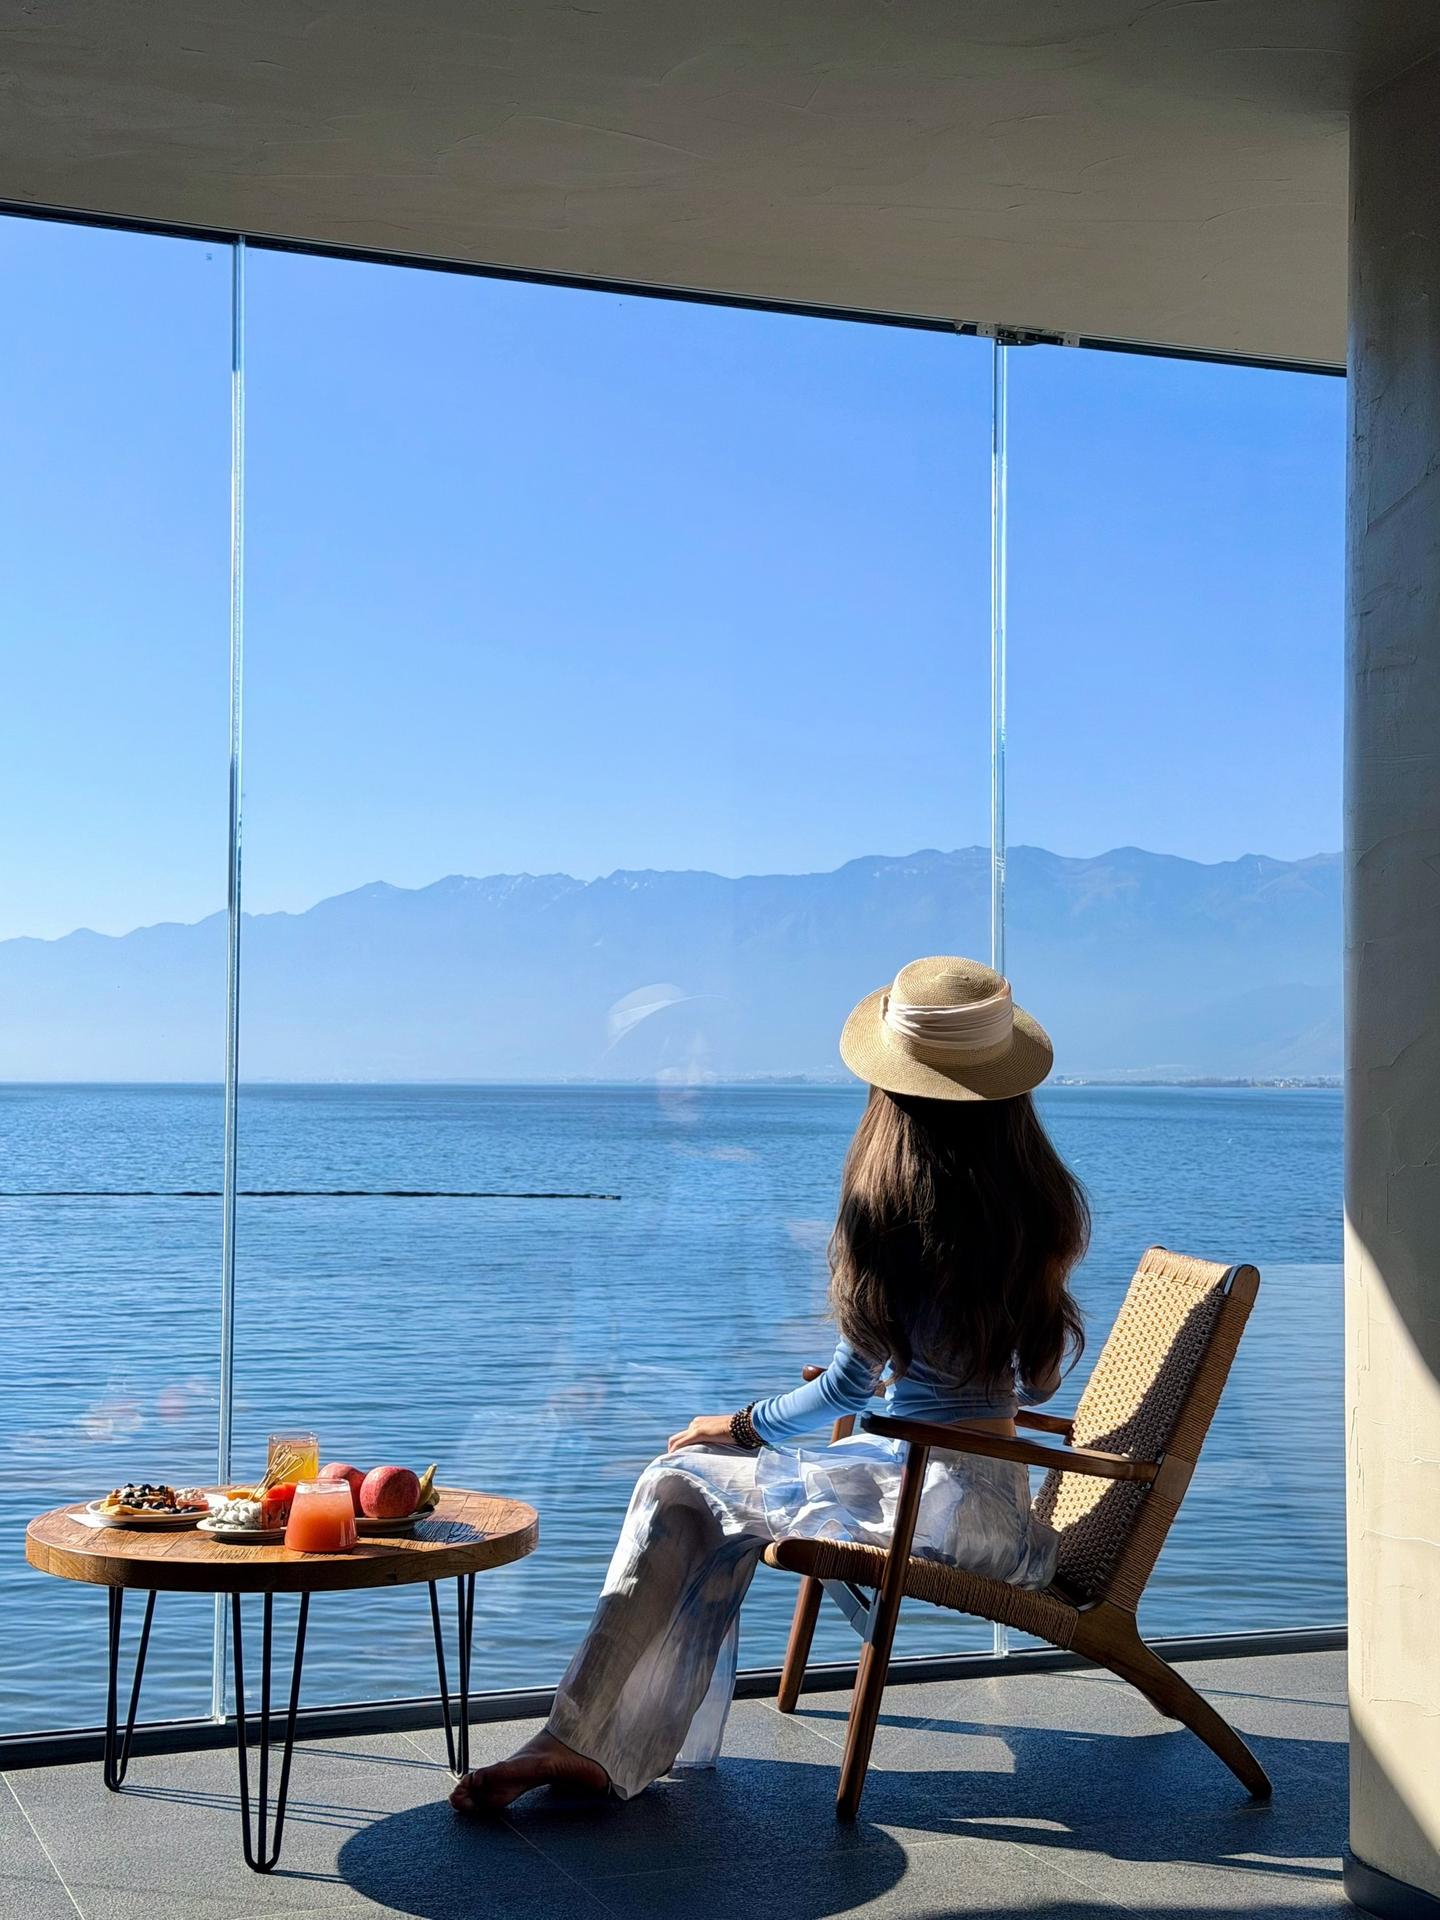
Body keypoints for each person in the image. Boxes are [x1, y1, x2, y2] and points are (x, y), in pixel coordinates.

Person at [451, 956, 1088, 1814]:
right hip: (998, 1513)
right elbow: (1031, 1380)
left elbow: (849, 1388)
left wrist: (742, 1425)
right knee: (703, 1496)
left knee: (678, 1481)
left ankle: (587, 1741)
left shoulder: (889, 1212)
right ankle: (591, 1744)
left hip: (925, 1507)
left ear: (890, 1093)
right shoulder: (1045, 1207)